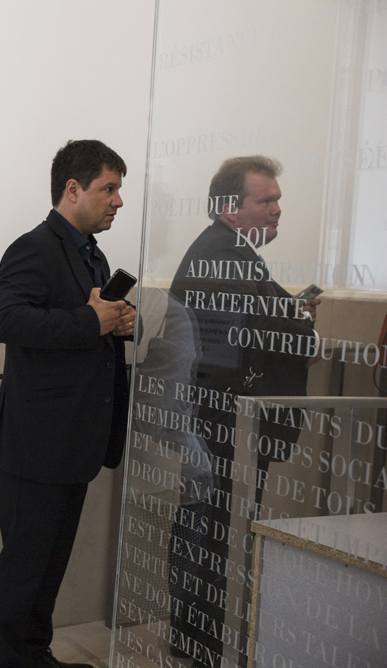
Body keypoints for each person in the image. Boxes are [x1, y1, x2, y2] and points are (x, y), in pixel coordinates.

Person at [166, 155, 318, 668]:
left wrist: (289, 314)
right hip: (224, 423)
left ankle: (198, 637)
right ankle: (203, 642)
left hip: (221, 421)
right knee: (213, 532)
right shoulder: (226, 253)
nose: (277, 211)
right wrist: (297, 325)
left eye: (277, 201)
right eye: (266, 201)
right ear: (231, 208)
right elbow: (235, 344)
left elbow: (255, 321)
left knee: (211, 529)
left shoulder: (232, 251)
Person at [0, 140, 134, 668]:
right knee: (26, 564)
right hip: (38, 441)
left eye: (120, 189)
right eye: (108, 189)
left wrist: (117, 324)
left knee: (50, 565)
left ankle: (34, 656)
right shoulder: (35, 247)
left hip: (74, 439)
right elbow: (3, 321)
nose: (118, 201)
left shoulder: (92, 254)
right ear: (72, 190)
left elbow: (86, 324)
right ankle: (10, 661)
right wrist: (90, 322)